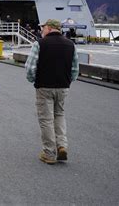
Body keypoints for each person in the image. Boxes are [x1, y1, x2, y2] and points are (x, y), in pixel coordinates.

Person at [25, 19, 79, 165]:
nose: (42, 30)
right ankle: (62, 145)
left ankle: (49, 153)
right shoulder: (70, 45)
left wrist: (32, 80)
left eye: (43, 28)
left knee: (46, 119)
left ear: (49, 28)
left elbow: (30, 67)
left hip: (44, 87)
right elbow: (75, 69)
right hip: (63, 87)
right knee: (59, 115)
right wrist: (68, 81)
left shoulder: (40, 44)